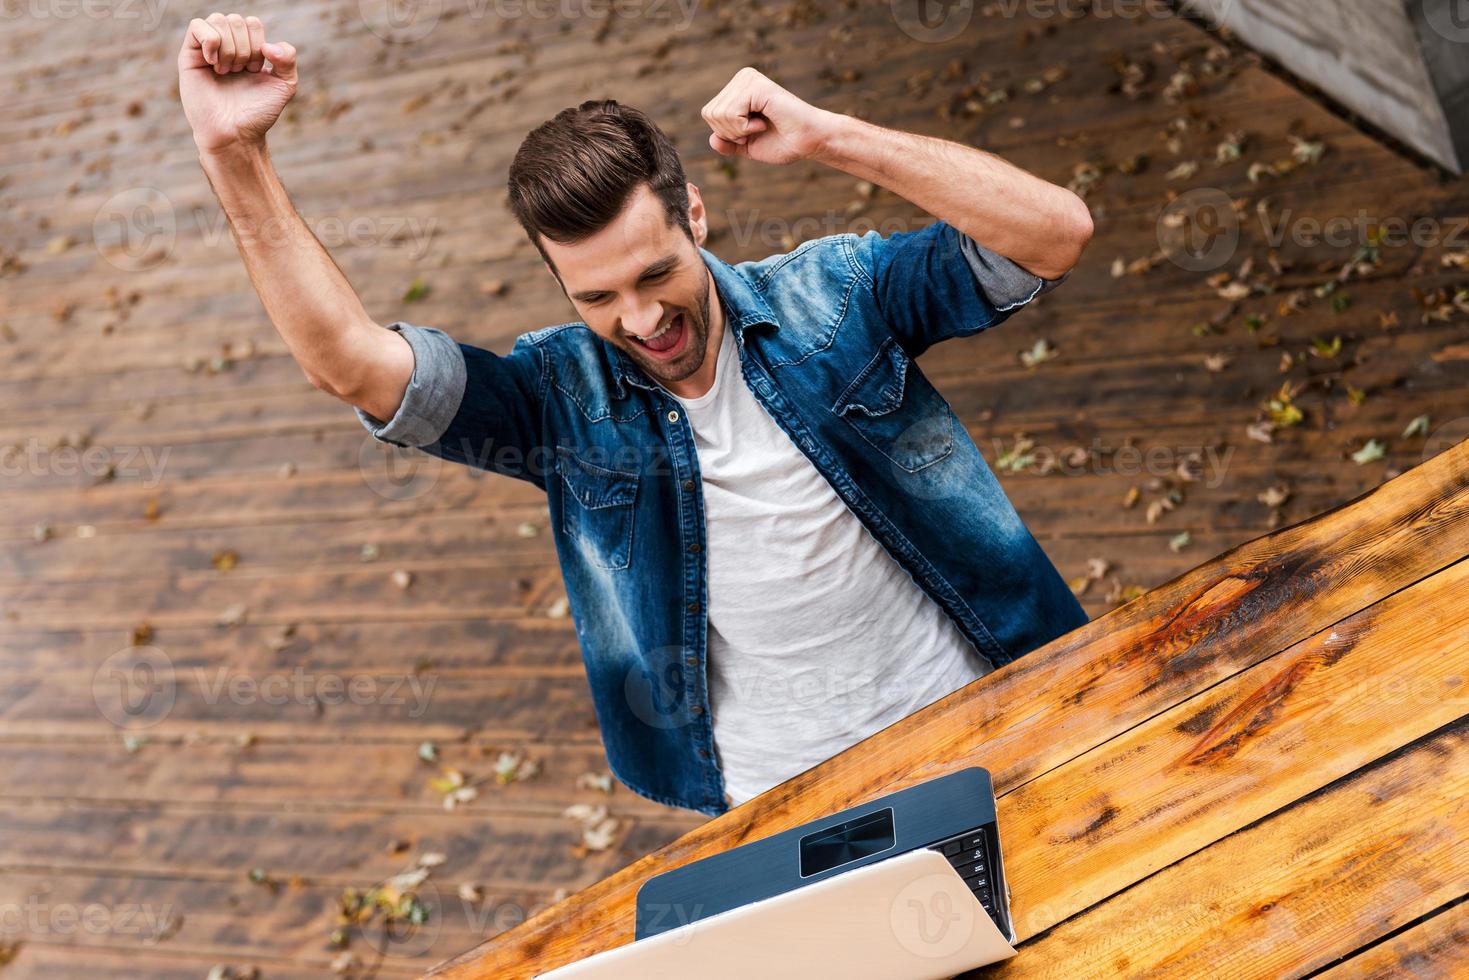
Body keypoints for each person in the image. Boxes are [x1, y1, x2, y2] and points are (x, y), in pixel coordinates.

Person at [178, 14, 1095, 815]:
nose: (644, 320)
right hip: (781, 795)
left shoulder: (836, 295)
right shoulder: (553, 401)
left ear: (693, 214)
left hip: (986, 710)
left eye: (657, 273)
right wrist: (235, 155)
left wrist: (830, 136)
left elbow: (1052, 234)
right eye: (599, 296)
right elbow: (348, 361)